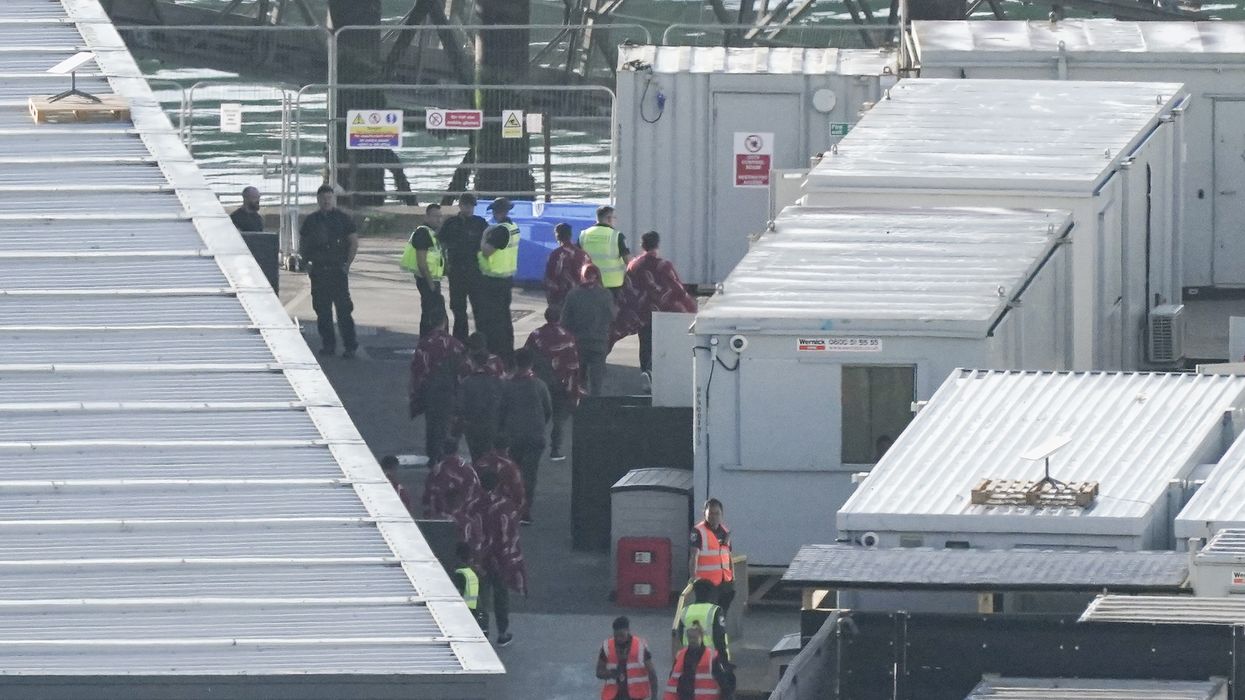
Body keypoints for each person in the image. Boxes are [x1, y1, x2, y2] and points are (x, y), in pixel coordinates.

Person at [614, 231, 697, 377]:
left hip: (643, 313)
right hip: (664, 313)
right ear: (657, 245)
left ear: (642, 245)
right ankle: (659, 375)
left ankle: (646, 372)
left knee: (645, 343)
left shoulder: (634, 265)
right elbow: (677, 289)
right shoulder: (664, 265)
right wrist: (690, 307)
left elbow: (628, 289)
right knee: (663, 344)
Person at [299, 184, 360, 358]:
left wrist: (347, 264)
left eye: (329, 198)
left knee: (344, 311)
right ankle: (328, 345)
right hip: (319, 271)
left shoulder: (343, 219)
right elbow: (303, 243)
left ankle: (350, 346)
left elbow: (353, 242)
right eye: (323, 198)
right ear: (318, 200)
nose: (326, 201)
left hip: (337, 270)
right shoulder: (312, 220)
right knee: (322, 311)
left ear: (334, 199)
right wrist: (306, 263)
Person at [524, 307, 585, 460]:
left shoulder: (536, 335)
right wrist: (574, 387)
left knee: (538, 414)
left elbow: (526, 356)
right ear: (559, 317)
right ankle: (555, 449)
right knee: (559, 418)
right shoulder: (568, 337)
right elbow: (573, 364)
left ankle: (534, 445)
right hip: (561, 383)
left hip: (541, 382)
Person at [500, 348, 552, 522]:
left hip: (514, 436)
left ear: (515, 363)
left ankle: (511, 507)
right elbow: (548, 410)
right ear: (532, 363)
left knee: (512, 473)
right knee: (530, 474)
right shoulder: (539, 385)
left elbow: (501, 412)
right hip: (535, 436)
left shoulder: (507, 386)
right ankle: (525, 510)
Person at [478, 468, 526, 648]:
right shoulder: (505, 506)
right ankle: (502, 632)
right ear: (498, 484)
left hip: (479, 558)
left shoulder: (473, 504)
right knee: (501, 595)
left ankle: (480, 630)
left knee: (479, 596)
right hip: (500, 559)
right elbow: (511, 534)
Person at [408, 311, 465, 464]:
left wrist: (414, 392)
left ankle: (433, 455)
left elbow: (417, 369)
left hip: (430, 390)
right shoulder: (455, 344)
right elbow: (462, 371)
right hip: (448, 390)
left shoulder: (424, 343)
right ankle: (444, 455)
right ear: (445, 322)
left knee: (432, 423)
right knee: (446, 423)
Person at [437, 193, 488, 341]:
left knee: (479, 308)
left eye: (471, 206)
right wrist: (444, 264)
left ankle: (481, 341)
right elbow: (440, 244)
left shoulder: (480, 223)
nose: (469, 208)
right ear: (460, 205)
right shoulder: (451, 223)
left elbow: (488, 245)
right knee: (458, 309)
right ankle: (460, 342)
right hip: (456, 270)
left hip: (475, 271)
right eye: (466, 205)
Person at [476, 197, 520, 361]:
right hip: (507, 278)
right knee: (505, 317)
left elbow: (487, 251)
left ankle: (497, 351)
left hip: (493, 280)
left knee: (493, 319)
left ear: (497, 212)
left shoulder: (499, 231)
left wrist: (484, 236)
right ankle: (507, 351)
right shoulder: (513, 227)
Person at [561, 264, 615, 397]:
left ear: (582, 276)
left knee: (579, 377)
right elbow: (612, 316)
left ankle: (580, 401)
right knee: (597, 379)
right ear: (597, 275)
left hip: (579, 342)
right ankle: (595, 404)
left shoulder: (573, 294)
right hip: (599, 342)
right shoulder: (606, 294)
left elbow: (564, 321)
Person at [402, 203, 447, 338]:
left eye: (440, 216)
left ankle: (430, 342)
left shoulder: (432, 233)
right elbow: (421, 262)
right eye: (435, 216)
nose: (439, 220)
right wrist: (431, 283)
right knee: (432, 315)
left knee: (431, 314)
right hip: (427, 280)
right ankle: (430, 343)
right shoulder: (423, 233)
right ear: (426, 217)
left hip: (432, 280)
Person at [457, 346, 505, 461]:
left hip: (472, 425)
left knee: (475, 455)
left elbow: (460, 406)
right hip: (491, 423)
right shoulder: (497, 381)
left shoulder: (466, 382)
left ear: (473, 362)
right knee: (489, 454)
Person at [597, 615, 659, 700]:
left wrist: (654, 697)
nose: (619, 639)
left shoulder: (640, 646)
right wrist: (611, 673)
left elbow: (652, 673)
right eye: (616, 636)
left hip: (636, 696)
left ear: (628, 630)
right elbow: (599, 672)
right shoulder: (607, 646)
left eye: (622, 635)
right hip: (614, 696)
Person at [689, 499, 735, 614]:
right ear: (704, 513)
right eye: (710, 513)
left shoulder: (725, 532)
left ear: (722, 514)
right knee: (705, 614)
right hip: (705, 584)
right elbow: (694, 556)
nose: (714, 516)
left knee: (720, 615)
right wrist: (693, 578)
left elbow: (728, 556)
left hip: (724, 583)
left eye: (717, 513)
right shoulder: (698, 531)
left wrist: (732, 578)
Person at [662, 625, 732, 700]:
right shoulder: (680, 656)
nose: (692, 640)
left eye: (695, 637)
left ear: (701, 637)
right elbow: (672, 683)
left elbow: (724, 684)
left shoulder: (712, 658)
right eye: (690, 637)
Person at [423, 438, 483, 520]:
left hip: (442, 517)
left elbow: (428, 494)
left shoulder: (436, 471)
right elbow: (477, 490)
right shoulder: (468, 469)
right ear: (457, 450)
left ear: (442, 450)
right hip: (466, 516)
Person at [578, 205, 630, 295]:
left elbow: (578, 257)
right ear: (609, 219)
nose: (615, 220)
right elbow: (628, 261)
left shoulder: (584, 235)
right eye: (614, 218)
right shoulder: (616, 236)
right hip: (613, 284)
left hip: (589, 282)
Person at [473, 435, 527, 519]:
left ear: (492, 446)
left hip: (479, 507)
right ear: (507, 448)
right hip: (503, 509)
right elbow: (518, 492)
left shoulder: (480, 462)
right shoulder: (511, 467)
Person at [675, 579, 730, 660]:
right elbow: (720, 636)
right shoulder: (715, 610)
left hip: (689, 657)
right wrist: (724, 658)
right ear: (711, 594)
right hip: (710, 658)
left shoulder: (685, 611)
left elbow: (680, 634)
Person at [544, 222, 589, 310]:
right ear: (570, 235)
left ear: (557, 236)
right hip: (578, 297)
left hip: (560, 298)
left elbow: (549, 278)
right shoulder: (582, 254)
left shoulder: (555, 254)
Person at [451, 541, 488, 631]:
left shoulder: (459, 573)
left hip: (464, 611)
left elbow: (456, 592)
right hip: (475, 610)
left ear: (458, 556)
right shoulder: (472, 573)